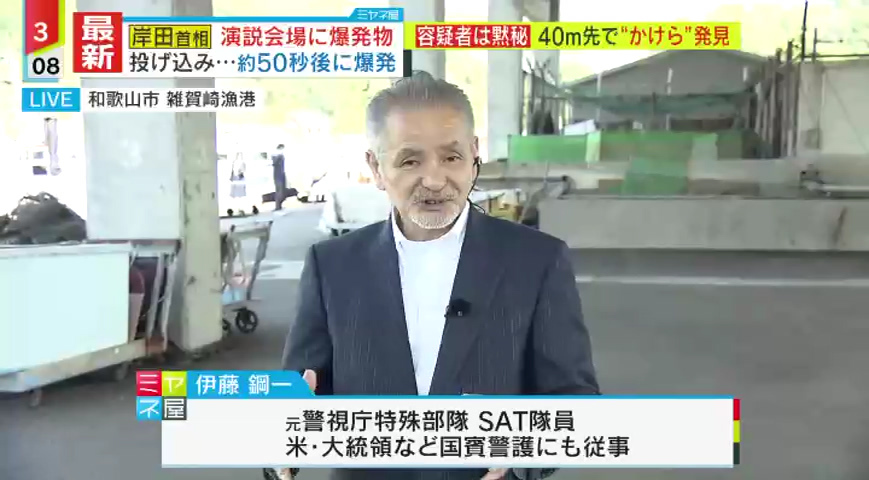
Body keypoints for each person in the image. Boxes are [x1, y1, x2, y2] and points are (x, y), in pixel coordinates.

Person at [276, 71, 600, 480]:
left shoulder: (536, 261)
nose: (434, 180)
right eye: (410, 161)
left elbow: (574, 401)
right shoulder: (332, 266)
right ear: (376, 167)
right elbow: (295, 398)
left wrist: (518, 452)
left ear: (474, 155)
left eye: (451, 157)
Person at [272, 144, 287, 210]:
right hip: (278, 175)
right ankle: (277, 206)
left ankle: (279, 205)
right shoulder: (277, 155)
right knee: (279, 191)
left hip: (281, 174)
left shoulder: (281, 155)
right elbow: (274, 163)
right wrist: (279, 156)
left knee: (282, 191)